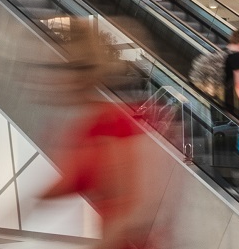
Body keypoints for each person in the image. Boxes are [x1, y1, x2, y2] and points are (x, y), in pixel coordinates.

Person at [39, 39, 158, 249]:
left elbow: (128, 209)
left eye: (59, 69)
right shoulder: (86, 128)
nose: (49, 81)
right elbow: (70, 182)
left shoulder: (112, 123)